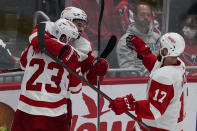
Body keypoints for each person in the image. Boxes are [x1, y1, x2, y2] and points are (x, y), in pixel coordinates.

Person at [11, 18, 108, 131]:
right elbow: (76, 88)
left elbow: (23, 64)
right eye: (70, 39)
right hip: (54, 113)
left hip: (26, 109)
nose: (71, 42)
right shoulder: (71, 55)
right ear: (63, 37)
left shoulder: (34, 45)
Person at [109, 32, 188, 131]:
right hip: (170, 125)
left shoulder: (165, 76)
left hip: (157, 128)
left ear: (165, 52)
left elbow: (154, 110)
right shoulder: (179, 64)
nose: (159, 49)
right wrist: (145, 52)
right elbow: (159, 68)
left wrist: (129, 104)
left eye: (161, 47)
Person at [116, 2, 161, 76]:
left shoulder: (157, 38)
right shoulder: (126, 41)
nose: (146, 17)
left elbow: (162, 61)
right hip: (135, 83)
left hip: (156, 79)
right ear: (134, 16)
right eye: (142, 14)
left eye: (148, 15)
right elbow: (128, 70)